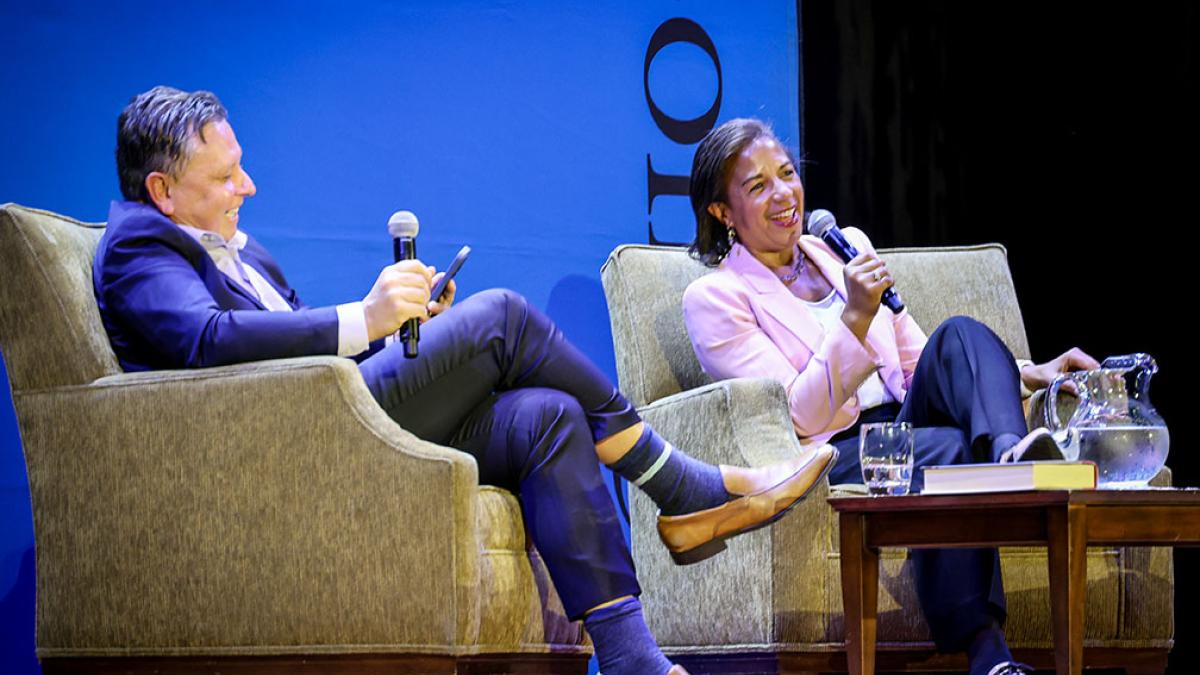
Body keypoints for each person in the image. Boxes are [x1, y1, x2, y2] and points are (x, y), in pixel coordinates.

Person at [92, 87, 838, 675]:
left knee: (547, 415)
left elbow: (291, 341)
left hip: (329, 407)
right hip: (290, 444)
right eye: (224, 177)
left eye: (241, 166)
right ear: (161, 190)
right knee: (506, 315)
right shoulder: (137, 248)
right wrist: (366, 316)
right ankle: (676, 485)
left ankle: (630, 654)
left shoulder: (233, 248)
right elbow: (207, 340)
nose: (247, 187)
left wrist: (393, 320)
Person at [682, 118, 1100, 675]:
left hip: (902, 419)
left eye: (786, 174)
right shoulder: (716, 297)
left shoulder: (843, 248)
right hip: (834, 447)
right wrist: (854, 316)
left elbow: (917, 358)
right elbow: (798, 414)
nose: (784, 195)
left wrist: (1027, 373)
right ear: (722, 212)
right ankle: (988, 655)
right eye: (758, 187)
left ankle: (1010, 456)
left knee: (960, 333)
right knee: (948, 451)